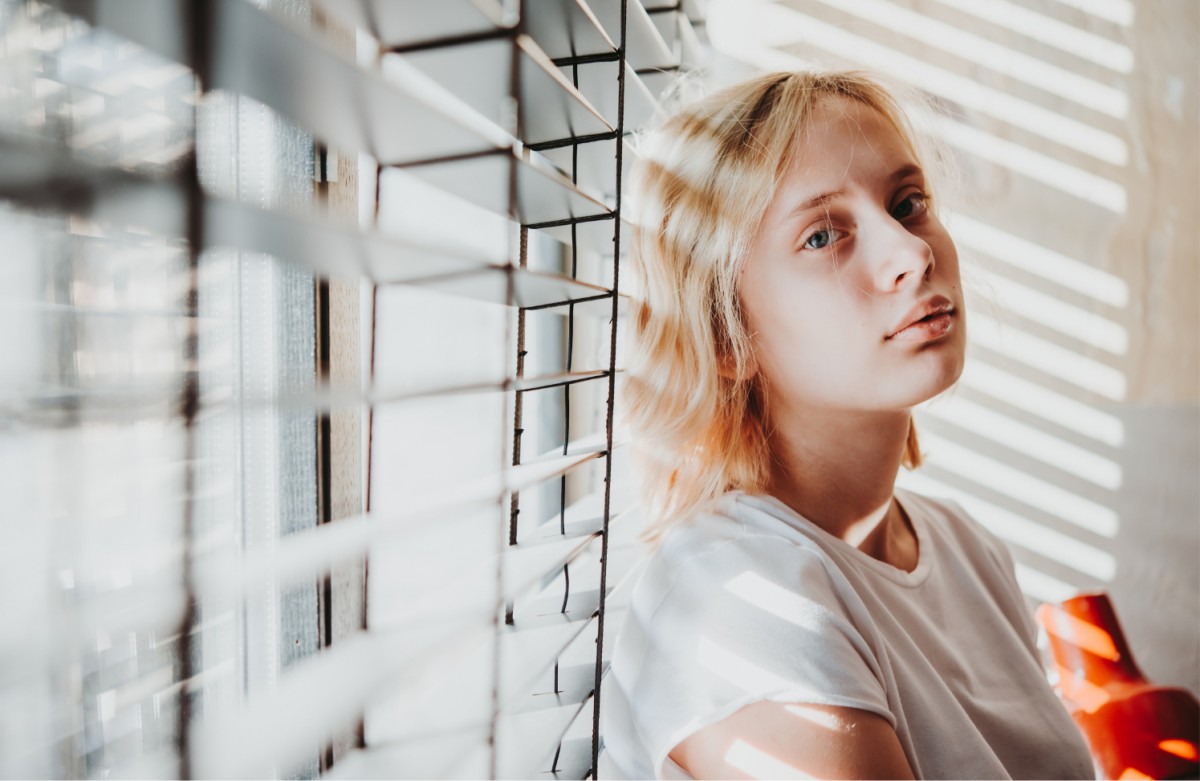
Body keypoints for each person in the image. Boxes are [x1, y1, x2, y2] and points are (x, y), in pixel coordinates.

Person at [601, 70, 1096, 779]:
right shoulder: (737, 596)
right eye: (824, 234)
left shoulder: (966, 548)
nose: (912, 252)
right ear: (724, 336)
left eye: (909, 203)